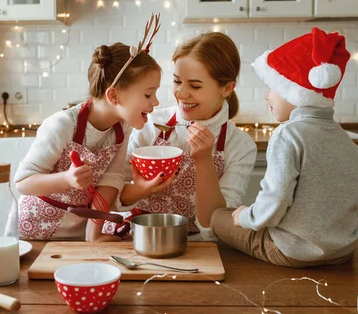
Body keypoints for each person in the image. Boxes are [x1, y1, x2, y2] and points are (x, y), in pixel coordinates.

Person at [211, 27, 358, 267]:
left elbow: (275, 201)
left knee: (218, 217)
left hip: (293, 251)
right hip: (342, 250)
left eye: (272, 87)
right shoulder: (345, 139)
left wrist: (245, 216)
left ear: (293, 92)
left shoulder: (288, 134)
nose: (267, 96)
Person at [14, 15, 162, 242]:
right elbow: (23, 183)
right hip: (35, 229)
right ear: (113, 95)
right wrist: (67, 179)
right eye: (148, 94)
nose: (156, 102)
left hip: (80, 232)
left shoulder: (122, 128)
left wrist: (93, 236)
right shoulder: (62, 125)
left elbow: (110, 180)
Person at [106, 32, 257, 241]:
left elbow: (213, 227)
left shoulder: (239, 146)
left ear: (227, 88)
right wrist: (139, 190)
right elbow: (112, 193)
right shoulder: (150, 123)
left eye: (195, 86)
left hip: (197, 248)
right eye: (177, 81)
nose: (181, 93)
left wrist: (204, 160)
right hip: (136, 239)